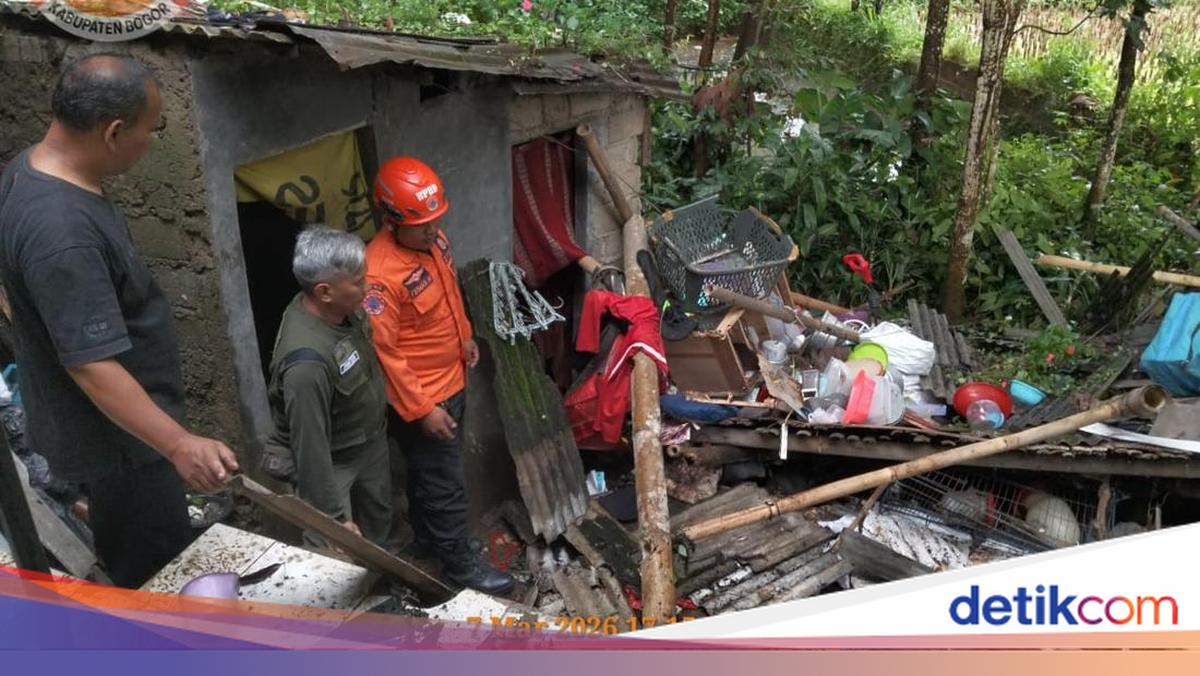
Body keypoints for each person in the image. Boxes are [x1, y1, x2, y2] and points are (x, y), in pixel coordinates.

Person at [0, 54, 238, 588]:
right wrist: (178, 444)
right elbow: (92, 366)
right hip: (124, 448)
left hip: (112, 436)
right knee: (157, 577)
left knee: (137, 554)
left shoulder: (28, 168)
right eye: (149, 131)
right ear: (112, 132)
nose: (151, 142)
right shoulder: (63, 234)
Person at [363, 157, 514, 594]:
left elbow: (448, 295)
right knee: (446, 483)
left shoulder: (435, 241)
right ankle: (461, 569)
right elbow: (383, 352)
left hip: (453, 380)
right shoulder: (379, 275)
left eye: (436, 220)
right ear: (391, 220)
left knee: (427, 476)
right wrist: (423, 409)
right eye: (423, 224)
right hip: (424, 400)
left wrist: (465, 338)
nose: (433, 230)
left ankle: (429, 541)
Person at [263, 226, 392, 547]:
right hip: (334, 462)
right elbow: (311, 449)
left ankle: (383, 583)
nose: (367, 285)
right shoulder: (306, 365)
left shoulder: (344, 309)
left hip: (369, 442)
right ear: (324, 292)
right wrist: (332, 518)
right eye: (358, 282)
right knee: (333, 549)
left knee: (380, 523)